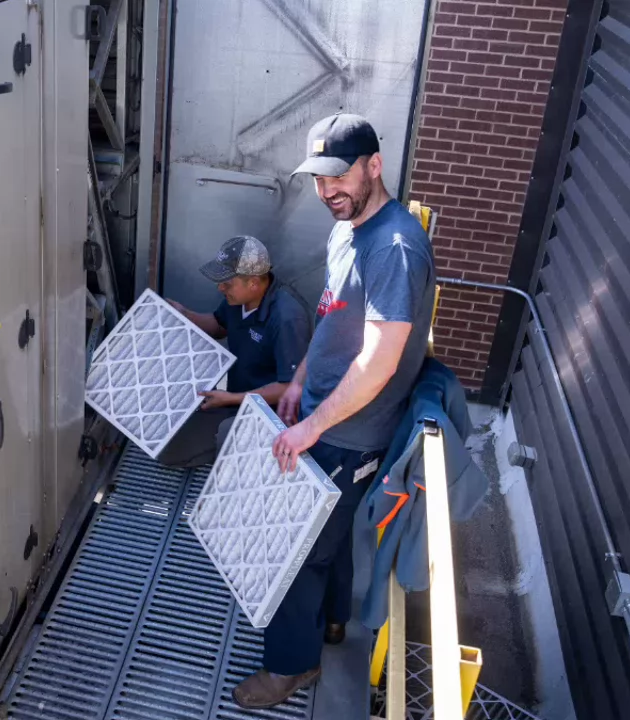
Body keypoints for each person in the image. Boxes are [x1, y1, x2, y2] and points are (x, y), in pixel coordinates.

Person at [232, 113, 437, 709]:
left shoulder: (395, 248)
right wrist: (298, 380)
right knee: (331, 534)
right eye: (319, 179)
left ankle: (291, 668)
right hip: (321, 410)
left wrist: (309, 428)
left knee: (299, 552)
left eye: (339, 176)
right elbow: (332, 317)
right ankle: (332, 623)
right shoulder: (347, 229)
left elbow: (377, 363)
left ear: (375, 165)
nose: (327, 192)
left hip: (349, 432)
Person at [156, 235, 310, 468]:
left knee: (227, 440)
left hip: (271, 417)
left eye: (227, 283)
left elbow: (289, 388)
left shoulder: (288, 317)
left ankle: (248, 459)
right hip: (236, 403)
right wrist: (184, 314)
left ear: (254, 283)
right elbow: (218, 325)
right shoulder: (237, 300)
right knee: (168, 450)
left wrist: (231, 398)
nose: (220, 288)